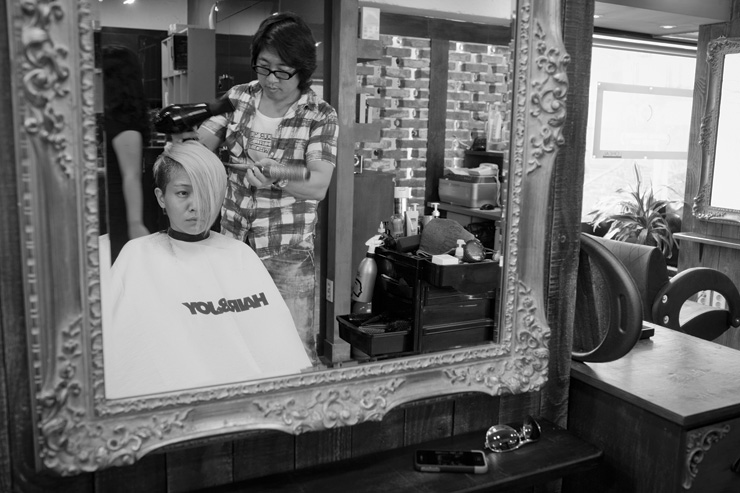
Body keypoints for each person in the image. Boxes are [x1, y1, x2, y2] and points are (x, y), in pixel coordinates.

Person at [103, 140, 312, 400]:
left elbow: (278, 348)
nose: (196, 205)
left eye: (206, 193)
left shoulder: (240, 255)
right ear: (161, 198)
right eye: (183, 193)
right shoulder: (137, 256)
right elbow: (127, 353)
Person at [194, 12, 339, 366]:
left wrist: (277, 174)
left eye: (282, 71)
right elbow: (203, 142)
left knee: (294, 350)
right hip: (232, 242)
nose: (271, 79)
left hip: (286, 251)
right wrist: (187, 138)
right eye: (263, 67)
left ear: (302, 69)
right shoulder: (239, 97)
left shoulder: (320, 115)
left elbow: (318, 183)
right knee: (236, 343)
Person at [101, 44, 151, 263]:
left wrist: (135, 223)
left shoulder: (124, 124)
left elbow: (131, 176)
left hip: (123, 209)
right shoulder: (117, 119)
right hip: (116, 205)